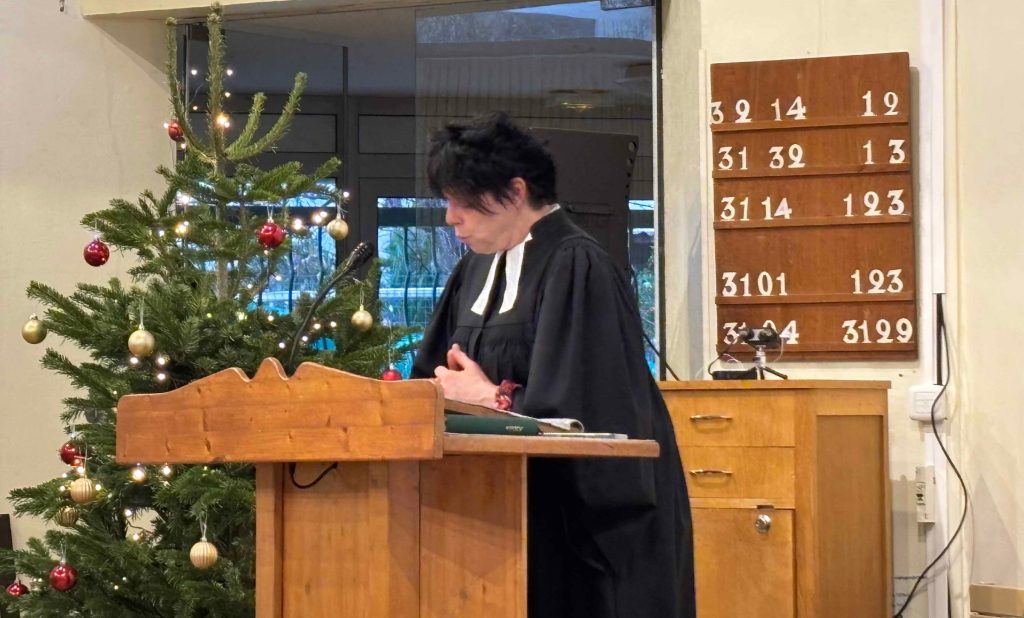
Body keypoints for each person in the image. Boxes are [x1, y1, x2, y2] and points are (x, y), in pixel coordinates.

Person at [412, 112, 695, 618]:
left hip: (580, 527)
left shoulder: (577, 263)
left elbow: (593, 408)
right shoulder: (474, 268)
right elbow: (433, 377)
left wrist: (490, 400)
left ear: (515, 191)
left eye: (462, 201)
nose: (451, 217)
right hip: (490, 508)